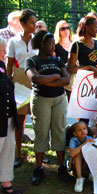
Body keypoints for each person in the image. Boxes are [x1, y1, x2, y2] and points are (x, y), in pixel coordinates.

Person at [25, 30, 70, 185]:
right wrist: (55, 76)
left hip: (59, 99)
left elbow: (67, 79)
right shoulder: (32, 61)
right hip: (41, 100)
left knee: (59, 131)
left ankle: (61, 166)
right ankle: (38, 168)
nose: (53, 46)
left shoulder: (57, 59)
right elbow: (35, 78)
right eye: (50, 44)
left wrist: (47, 80)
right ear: (41, 44)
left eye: (53, 43)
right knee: (41, 132)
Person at [6, 9, 38, 168]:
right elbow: (9, 63)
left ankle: (40, 153)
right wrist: (9, 81)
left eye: (35, 22)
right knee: (19, 119)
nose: (34, 25)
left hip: (35, 78)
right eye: (31, 22)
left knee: (38, 118)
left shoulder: (37, 40)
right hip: (18, 78)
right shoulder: (13, 41)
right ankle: (18, 154)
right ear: (23, 24)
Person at [68, 16, 97, 125]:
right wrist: (89, 68)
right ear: (87, 27)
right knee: (84, 117)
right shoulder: (76, 45)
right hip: (83, 85)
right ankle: (82, 140)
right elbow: (71, 68)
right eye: (95, 27)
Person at [0, 37, 22, 194]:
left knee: (8, 150)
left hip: (7, 116)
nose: (4, 53)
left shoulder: (1, 66)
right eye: (2, 50)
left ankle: (6, 182)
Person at [68, 121, 95, 192]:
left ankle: (91, 174)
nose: (82, 131)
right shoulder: (73, 140)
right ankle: (79, 178)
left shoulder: (90, 138)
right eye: (79, 130)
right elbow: (72, 154)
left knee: (91, 152)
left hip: (86, 163)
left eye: (84, 128)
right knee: (78, 153)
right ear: (75, 134)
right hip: (73, 164)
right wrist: (85, 144)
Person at [54, 20, 73, 100]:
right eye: (63, 29)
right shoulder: (55, 47)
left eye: (67, 28)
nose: (66, 30)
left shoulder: (75, 44)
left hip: (75, 77)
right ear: (58, 31)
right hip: (62, 78)